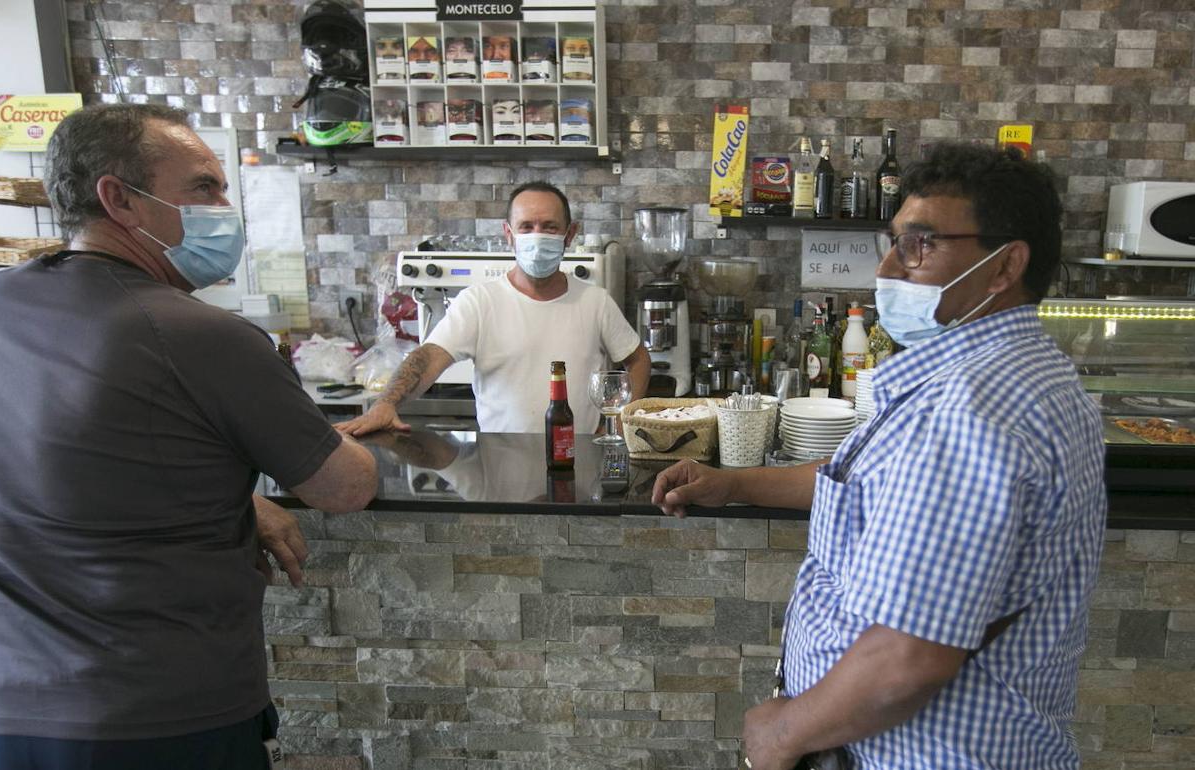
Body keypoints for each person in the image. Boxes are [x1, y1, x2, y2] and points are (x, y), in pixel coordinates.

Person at [0, 103, 379, 769]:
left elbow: (74, 454)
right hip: (162, 719)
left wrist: (236, 499)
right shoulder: (203, 336)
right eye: (204, 188)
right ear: (119, 199)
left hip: (14, 714)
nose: (224, 207)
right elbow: (346, 487)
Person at [652, 143, 1105, 769]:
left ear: (1006, 266)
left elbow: (906, 661)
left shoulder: (968, 409)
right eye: (893, 242)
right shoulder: (1015, 374)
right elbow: (871, 484)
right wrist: (731, 484)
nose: (889, 267)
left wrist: (780, 732)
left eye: (920, 244)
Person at [336, 181, 650, 437]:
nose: (536, 236)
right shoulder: (478, 302)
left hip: (576, 458)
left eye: (550, 227)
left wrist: (621, 422)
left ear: (570, 235)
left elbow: (637, 359)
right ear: (508, 234)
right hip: (500, 463)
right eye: (526, 226)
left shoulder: (595, 302)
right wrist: (386, 403)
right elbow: (429, 356)